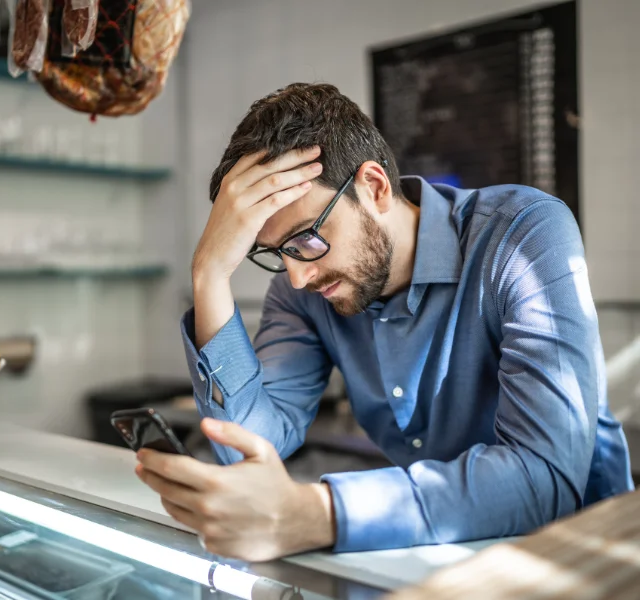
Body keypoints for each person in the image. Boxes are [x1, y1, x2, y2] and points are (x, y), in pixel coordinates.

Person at [134, 83, 634, 561]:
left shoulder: (523, 234)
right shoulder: (301, 289)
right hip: (438, 556)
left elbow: (545, 478)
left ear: (373, 188)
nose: (298, 275)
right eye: (274, 253)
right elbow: (247, 446)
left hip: (582, 557)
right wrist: (210, 273)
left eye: (307, 239)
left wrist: (316, 514)